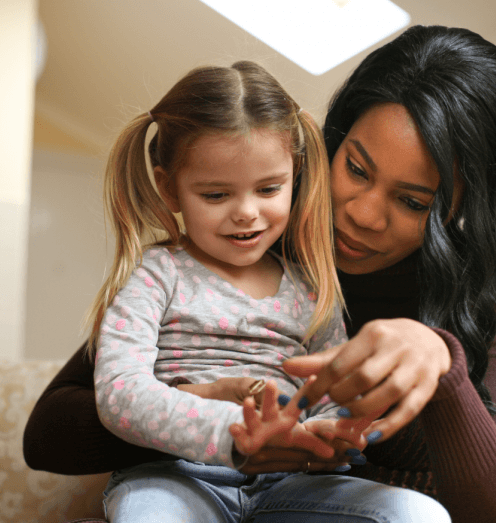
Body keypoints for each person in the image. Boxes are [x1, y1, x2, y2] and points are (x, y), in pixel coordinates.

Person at [24, 25, 496, 522]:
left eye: (413, 201)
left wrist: (443, 370)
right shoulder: (255, 243)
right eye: (355, 168)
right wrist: (207, 408)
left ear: (466, 208)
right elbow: (50, 432)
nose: (362, 214)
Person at [80, 60, 452, 522]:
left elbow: (330, 397)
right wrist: (234, 433)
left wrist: (326, 436)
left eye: (269, 188)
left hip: (290, 487)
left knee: (419, 515)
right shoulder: (156, 275)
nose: (246, 213)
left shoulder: (312, 289)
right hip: (176, 478)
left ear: (294, 178)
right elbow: (121, 393)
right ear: (169, 190)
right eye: (216, 195)